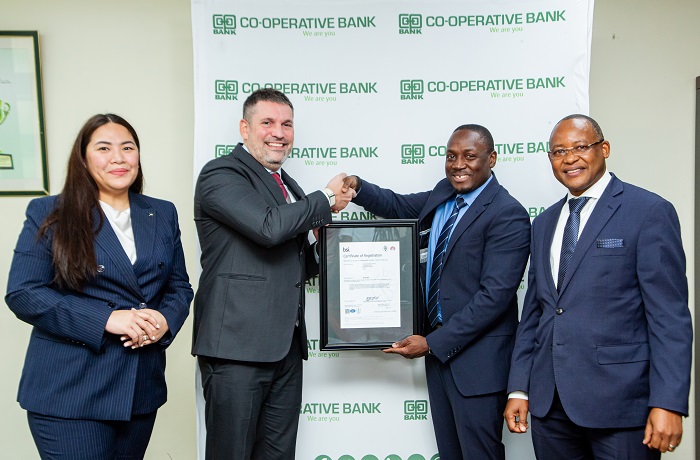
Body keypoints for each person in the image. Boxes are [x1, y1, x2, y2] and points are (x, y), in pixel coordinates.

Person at [5, 113, 193, 459]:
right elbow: (23, 293)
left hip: (140, 390)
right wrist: (107, 318)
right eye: (104, 148)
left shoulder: (162, 212)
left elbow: (179, 286)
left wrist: (164, 320)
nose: (118, 158)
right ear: (83, 157)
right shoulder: (51, 212)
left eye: (128, 148)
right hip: (70, 391)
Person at [504, 114, 692, 459]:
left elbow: (670, 317)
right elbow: (535, 314)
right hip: (550, 406)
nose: (569, 158)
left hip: (621, 406)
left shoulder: (648, 211)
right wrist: (519, 387)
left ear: (604, 149)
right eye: (559, 151)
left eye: (580, 147)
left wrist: (668, 402)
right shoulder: (543, 223)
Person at [340, 124, 531, 459]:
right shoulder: (444, 194)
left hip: (477, 365)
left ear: (491, 159)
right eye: (451, 156)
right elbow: (398, 206)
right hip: (440, 359)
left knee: (479, 454)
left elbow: (493, 298)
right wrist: (358, 187)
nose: (458, 165)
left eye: (469, 156)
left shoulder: (507, 214)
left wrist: (431, 343)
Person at [192, 88, 353, 459]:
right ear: (244, 129)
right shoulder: (221, 173)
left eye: (287, 124)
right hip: (237, 348)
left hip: (285, 349)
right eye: (267, 122)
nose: (279, 133)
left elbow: (292, 262)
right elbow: (268, 228)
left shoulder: (288, 186)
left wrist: (318, 246)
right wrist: (327, 198)